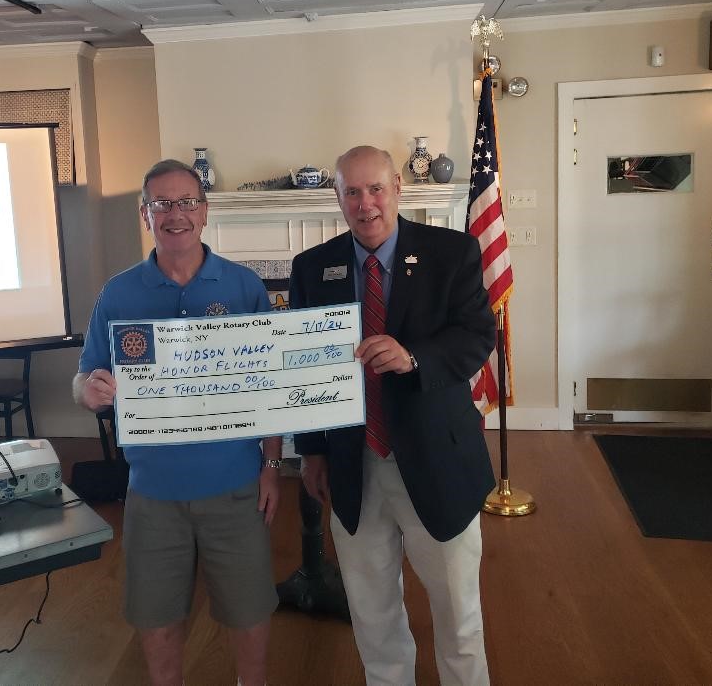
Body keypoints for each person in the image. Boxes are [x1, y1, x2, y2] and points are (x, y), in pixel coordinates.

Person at [291, 145, 496, 686]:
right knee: (372, 611)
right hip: (353, 464)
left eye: (375, 188)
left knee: (458, 615)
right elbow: (304, 369)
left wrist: (414, 357)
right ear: (336, 198)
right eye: (352, 192)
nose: (365, 204)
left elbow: (477, 336)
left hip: (438, 459)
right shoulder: (313, 267)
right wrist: (311, 452)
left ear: (398, 188)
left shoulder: (452, 252)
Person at [73, 159, 281, 686]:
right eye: (161, 204)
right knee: (156, 614)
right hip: (152, 491)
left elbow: (271, 386)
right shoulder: (118, 294)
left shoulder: (242, 286)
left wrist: (272, 464)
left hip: (235, 485)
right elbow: (82, 380)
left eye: (186, 201)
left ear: (204, 211)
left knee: (249, 611)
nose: (175, 214)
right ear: (146, 215)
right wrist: (90, 390)